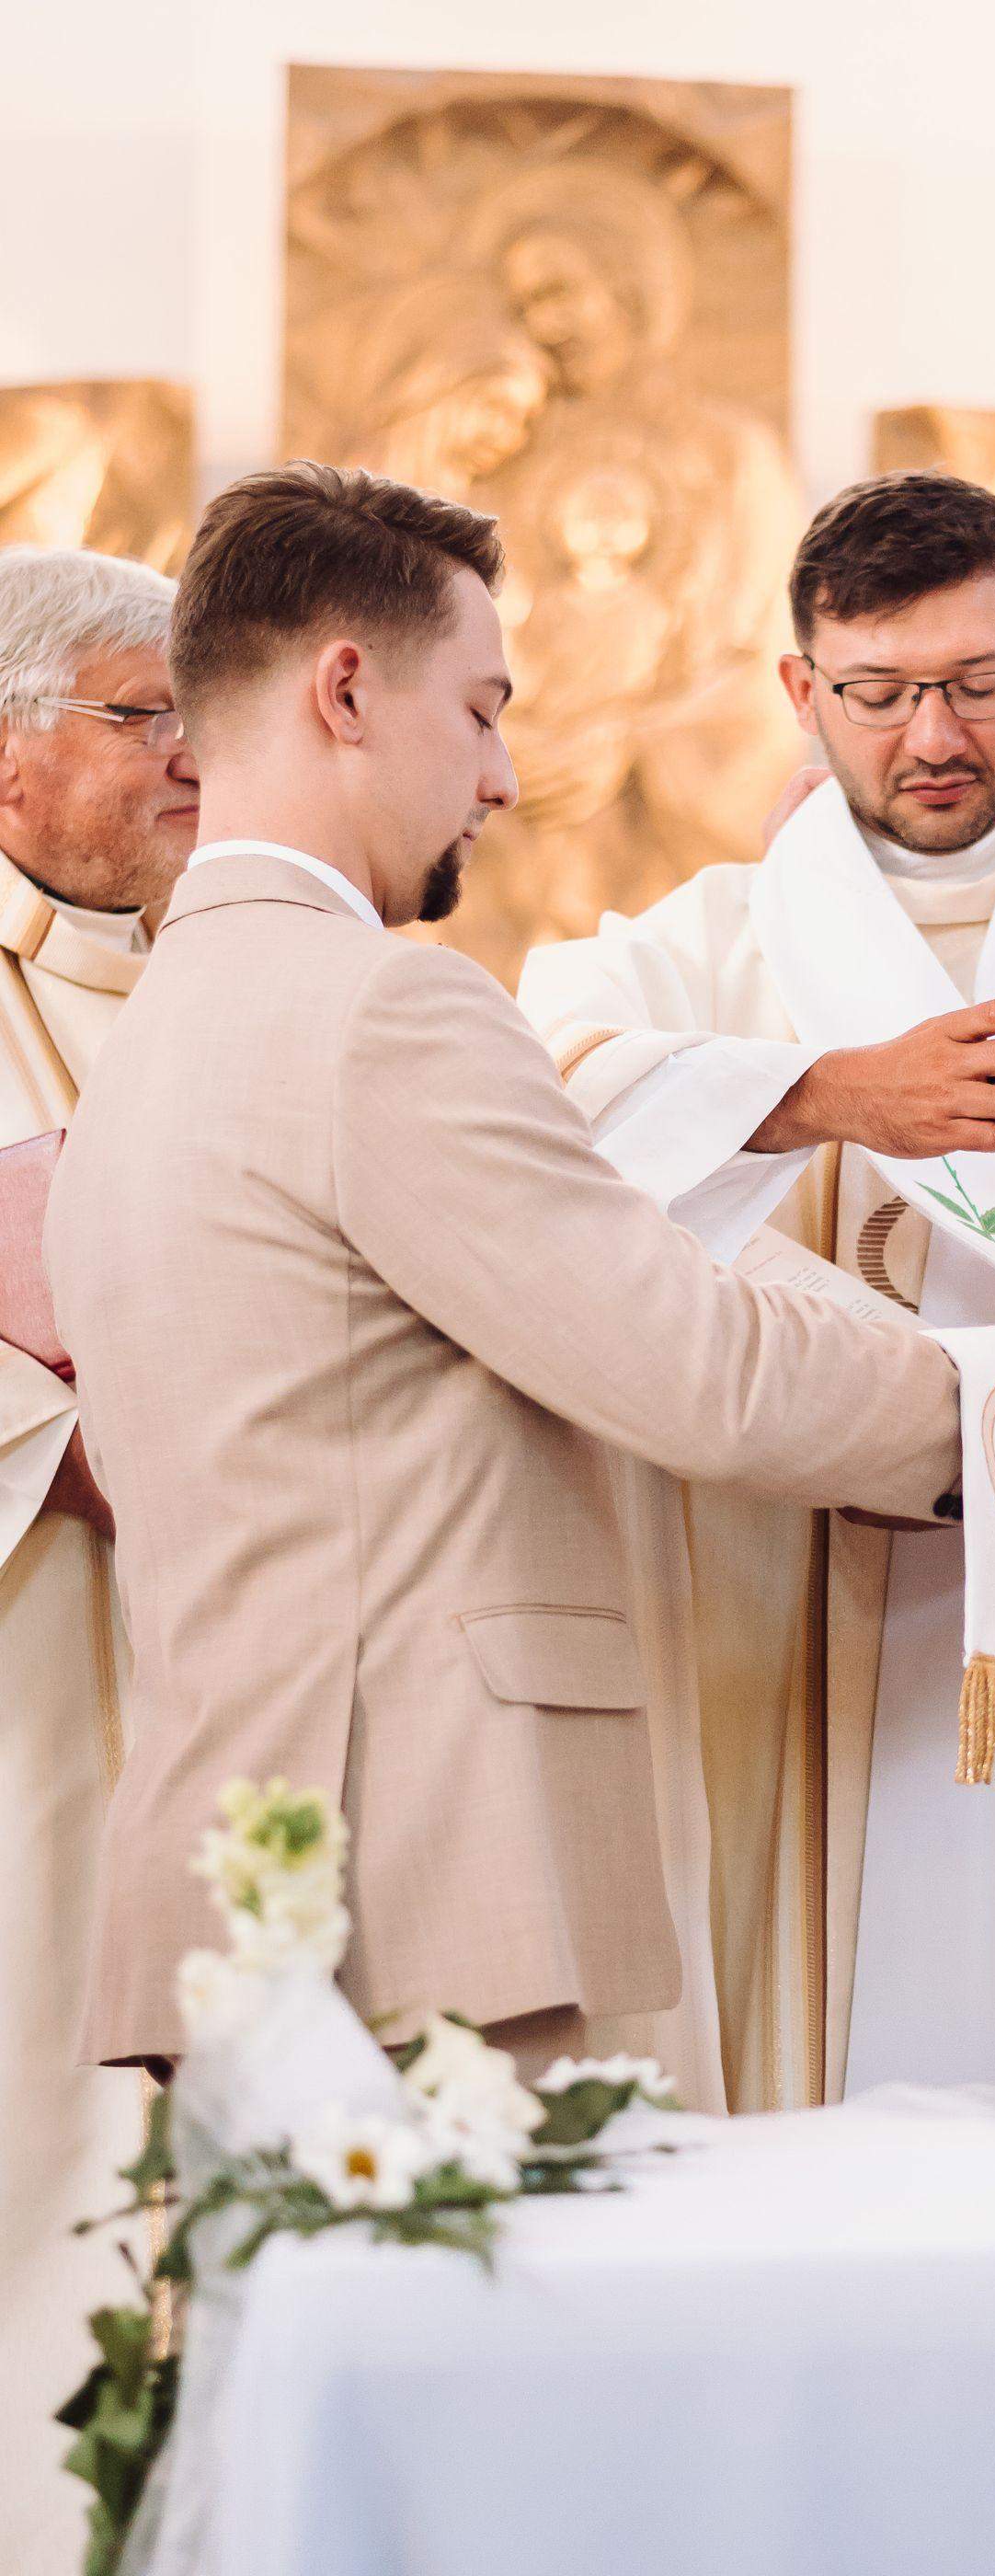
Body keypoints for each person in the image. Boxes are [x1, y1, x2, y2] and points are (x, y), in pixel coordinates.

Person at [45, 461, 965, 2091]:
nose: (507, 777)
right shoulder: (381, 1010)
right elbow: (696, 1372)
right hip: (427, 1892)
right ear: (345, 690)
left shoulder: (156, 1030)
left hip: (244, 1892)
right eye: (479, 711)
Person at [520, 470, 995, 2108]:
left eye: (977, 684)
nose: (932, 735)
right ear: (801, 691)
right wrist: (822, 1096)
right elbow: (530, 1105)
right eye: (876, 693)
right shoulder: (707, 948)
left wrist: (979, 1415)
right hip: (775, 1604)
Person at [0, 545, 198, 2571]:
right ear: (6, 752)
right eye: (145, 718)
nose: (188, 761)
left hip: (235, 1673)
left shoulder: (240, 971)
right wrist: (62, 1433)